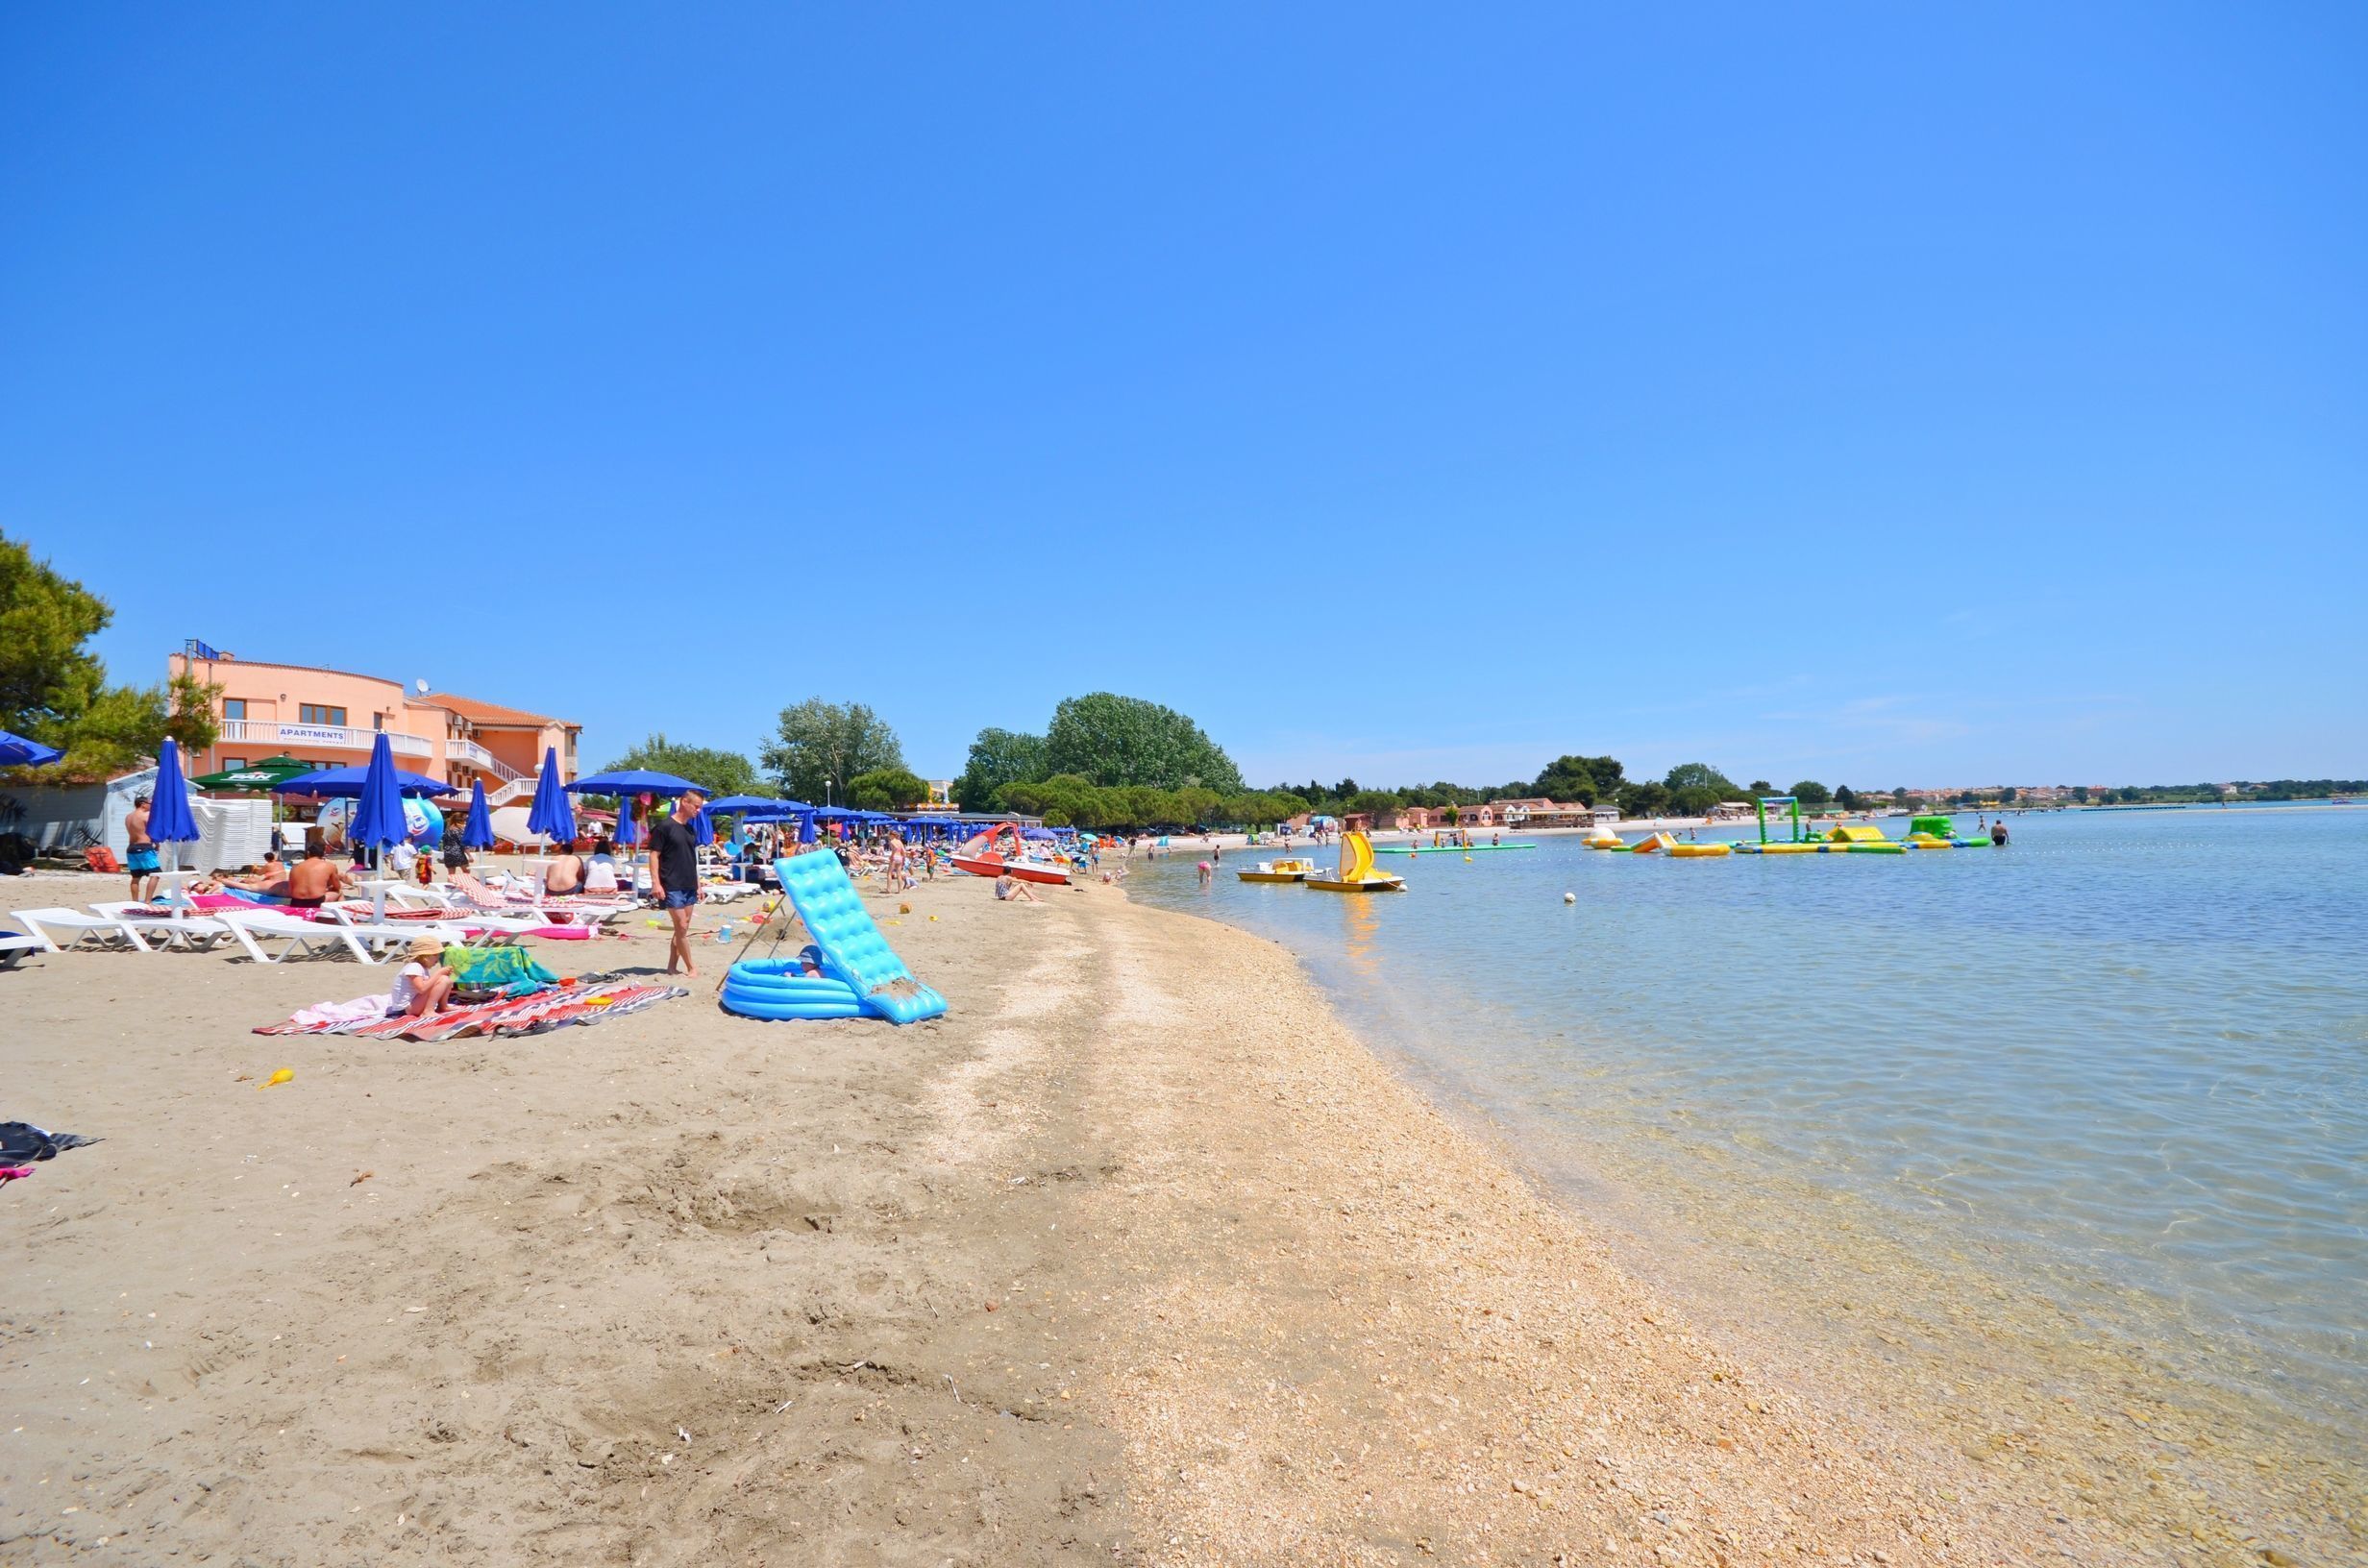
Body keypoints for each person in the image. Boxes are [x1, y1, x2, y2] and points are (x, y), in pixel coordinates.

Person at [648, 788, 704, 977]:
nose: (698, 810)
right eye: (696, 806)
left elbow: (691, 858)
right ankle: (691, 967)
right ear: (684, 802)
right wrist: (656, 883)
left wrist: (699, 883)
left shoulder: (690, 829)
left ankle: (671, 966)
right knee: (680, 926)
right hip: (671, 882)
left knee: (683, 927)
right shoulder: (664, 827)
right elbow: (654, 855)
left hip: (689, 882)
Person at [389, 934, 456, 1017]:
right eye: (435, 955)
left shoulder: (421, 968)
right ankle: (428, 1011)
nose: (438, 958)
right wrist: (439, 973)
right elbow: (422, 989)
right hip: (406, 1009)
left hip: (414, 1004)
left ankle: (443, 1006)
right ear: (424, 956)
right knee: (443, 979)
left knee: (447, 980)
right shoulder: (414, 967)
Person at [284, 844, 346, 909]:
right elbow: (337, 887)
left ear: (308, 853)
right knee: (339, 892)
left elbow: (291, 891)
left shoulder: (294, 867)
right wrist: (327, 889)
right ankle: (343, 916)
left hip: (296, 902)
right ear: (323, 854)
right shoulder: (330, 866)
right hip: (316, 902)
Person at [124, 793, 159, 901]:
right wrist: (157, 844)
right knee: (156, 874)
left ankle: (134, 902)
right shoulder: (146, 815)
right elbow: (152, 832)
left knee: (135, 877)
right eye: (150, 804)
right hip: (144, 848)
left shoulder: (128, 817)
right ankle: (147, 901)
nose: (151, 806)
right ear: (143, 804)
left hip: (131, 849)